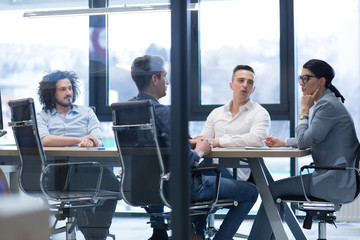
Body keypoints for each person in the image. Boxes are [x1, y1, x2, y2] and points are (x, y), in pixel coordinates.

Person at [130, 55, 259, 240]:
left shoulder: (126, 110)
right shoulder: (165, 113)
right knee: (251, 191)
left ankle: (197, 234)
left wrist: (185, 142)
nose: (167, 82)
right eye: (165, 76)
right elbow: (188, 161)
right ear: (154, 79)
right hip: (178, 187)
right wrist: (200, 151)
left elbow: (154, 147)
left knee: (210, 175)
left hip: (143, 187)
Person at [259, 59, 359, 239]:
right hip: (338, 178)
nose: (301, 83)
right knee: (274, 189)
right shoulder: (328, 102)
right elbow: (313, 137)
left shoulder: (327, 105)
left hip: (334, 180)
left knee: (271, 190)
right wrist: (283, 142)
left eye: (306, 78)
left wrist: (304, 111)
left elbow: (305, 141)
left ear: (321, 81)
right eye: (300, 78)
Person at [36, 70, 120, 240]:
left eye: (70, 88)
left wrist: (92, 141)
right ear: (51, 93)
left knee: (115, 187)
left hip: (88, 168)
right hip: (56, 172)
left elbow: (98, 138)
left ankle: (97, 232)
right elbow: (44, 140)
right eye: (62, 89)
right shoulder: (42, 116)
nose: (69, 93)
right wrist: (79, 139)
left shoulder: (86, 112)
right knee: (79, 184)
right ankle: (96, 235)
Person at [195, 65, 270, 181]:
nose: (245, 85)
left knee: (191, 179)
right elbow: (203, 141)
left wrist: (219, 141)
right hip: (211, 166)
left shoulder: (260, 113)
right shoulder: (216, 113)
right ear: (231, 85)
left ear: (253, 88)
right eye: (241, 80)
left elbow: (256, 140)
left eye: (250, 82)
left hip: (238, 173)